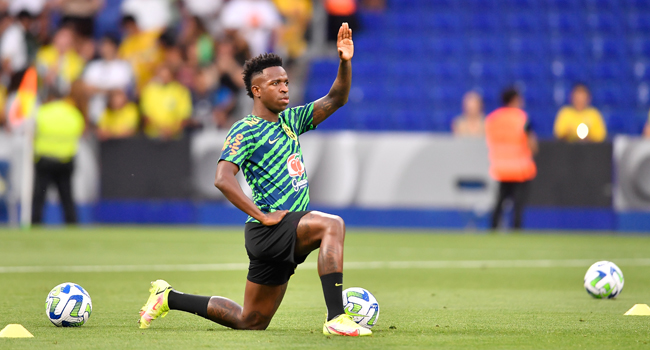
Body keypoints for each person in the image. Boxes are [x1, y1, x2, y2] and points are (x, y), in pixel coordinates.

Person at [137, 23, 369, 337]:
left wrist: (344, 62)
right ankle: (336, 318)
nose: (285, 88)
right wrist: (260, 214)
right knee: (333, 225)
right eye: (275, 83)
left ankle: (169, 298)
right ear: (257, 90)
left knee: (251, 320)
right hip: (270, 228)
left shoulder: (291, 120)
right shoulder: (245, 130)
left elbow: (337, 98)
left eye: (286, 82)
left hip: (281, 229)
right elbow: (223, 178)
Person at [485, 88, 537, 230]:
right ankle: (516, 230)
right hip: (520, 167)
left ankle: (494, 228)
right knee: (518, 204)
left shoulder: (493, 118)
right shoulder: (521, 118)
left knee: (500, 202)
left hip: (501, 166)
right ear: (514, 100)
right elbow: (531, 142)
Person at [31, 89, 85, 224]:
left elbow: (33, 131)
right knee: (67, 197)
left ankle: (36, 223)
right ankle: (71, 223)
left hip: (45, 160)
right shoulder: (73, 113)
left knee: (39, 196)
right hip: (65, 160)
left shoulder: (42, 112)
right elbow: (80, 131)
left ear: (49, 97)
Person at [83, 35, 134, 122]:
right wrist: (110, 90)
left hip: (116, 117)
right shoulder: (92, 66)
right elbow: (85, 89)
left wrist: (97, 89)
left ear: (115, 47)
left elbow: (121, 91)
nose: (105, 48)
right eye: (103, 45)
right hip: (93, 113)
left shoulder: (124, 66)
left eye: (108, 45)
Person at [140, 64, 192, 139]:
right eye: (161, 75)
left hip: (175, 136)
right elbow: (146, 115)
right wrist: (160, 129)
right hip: (153, 136)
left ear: (171, 75)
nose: (164, 77)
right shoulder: (149, 90)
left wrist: (172, 129)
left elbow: (184, 115)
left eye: (166, 75)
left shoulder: (181, 90)